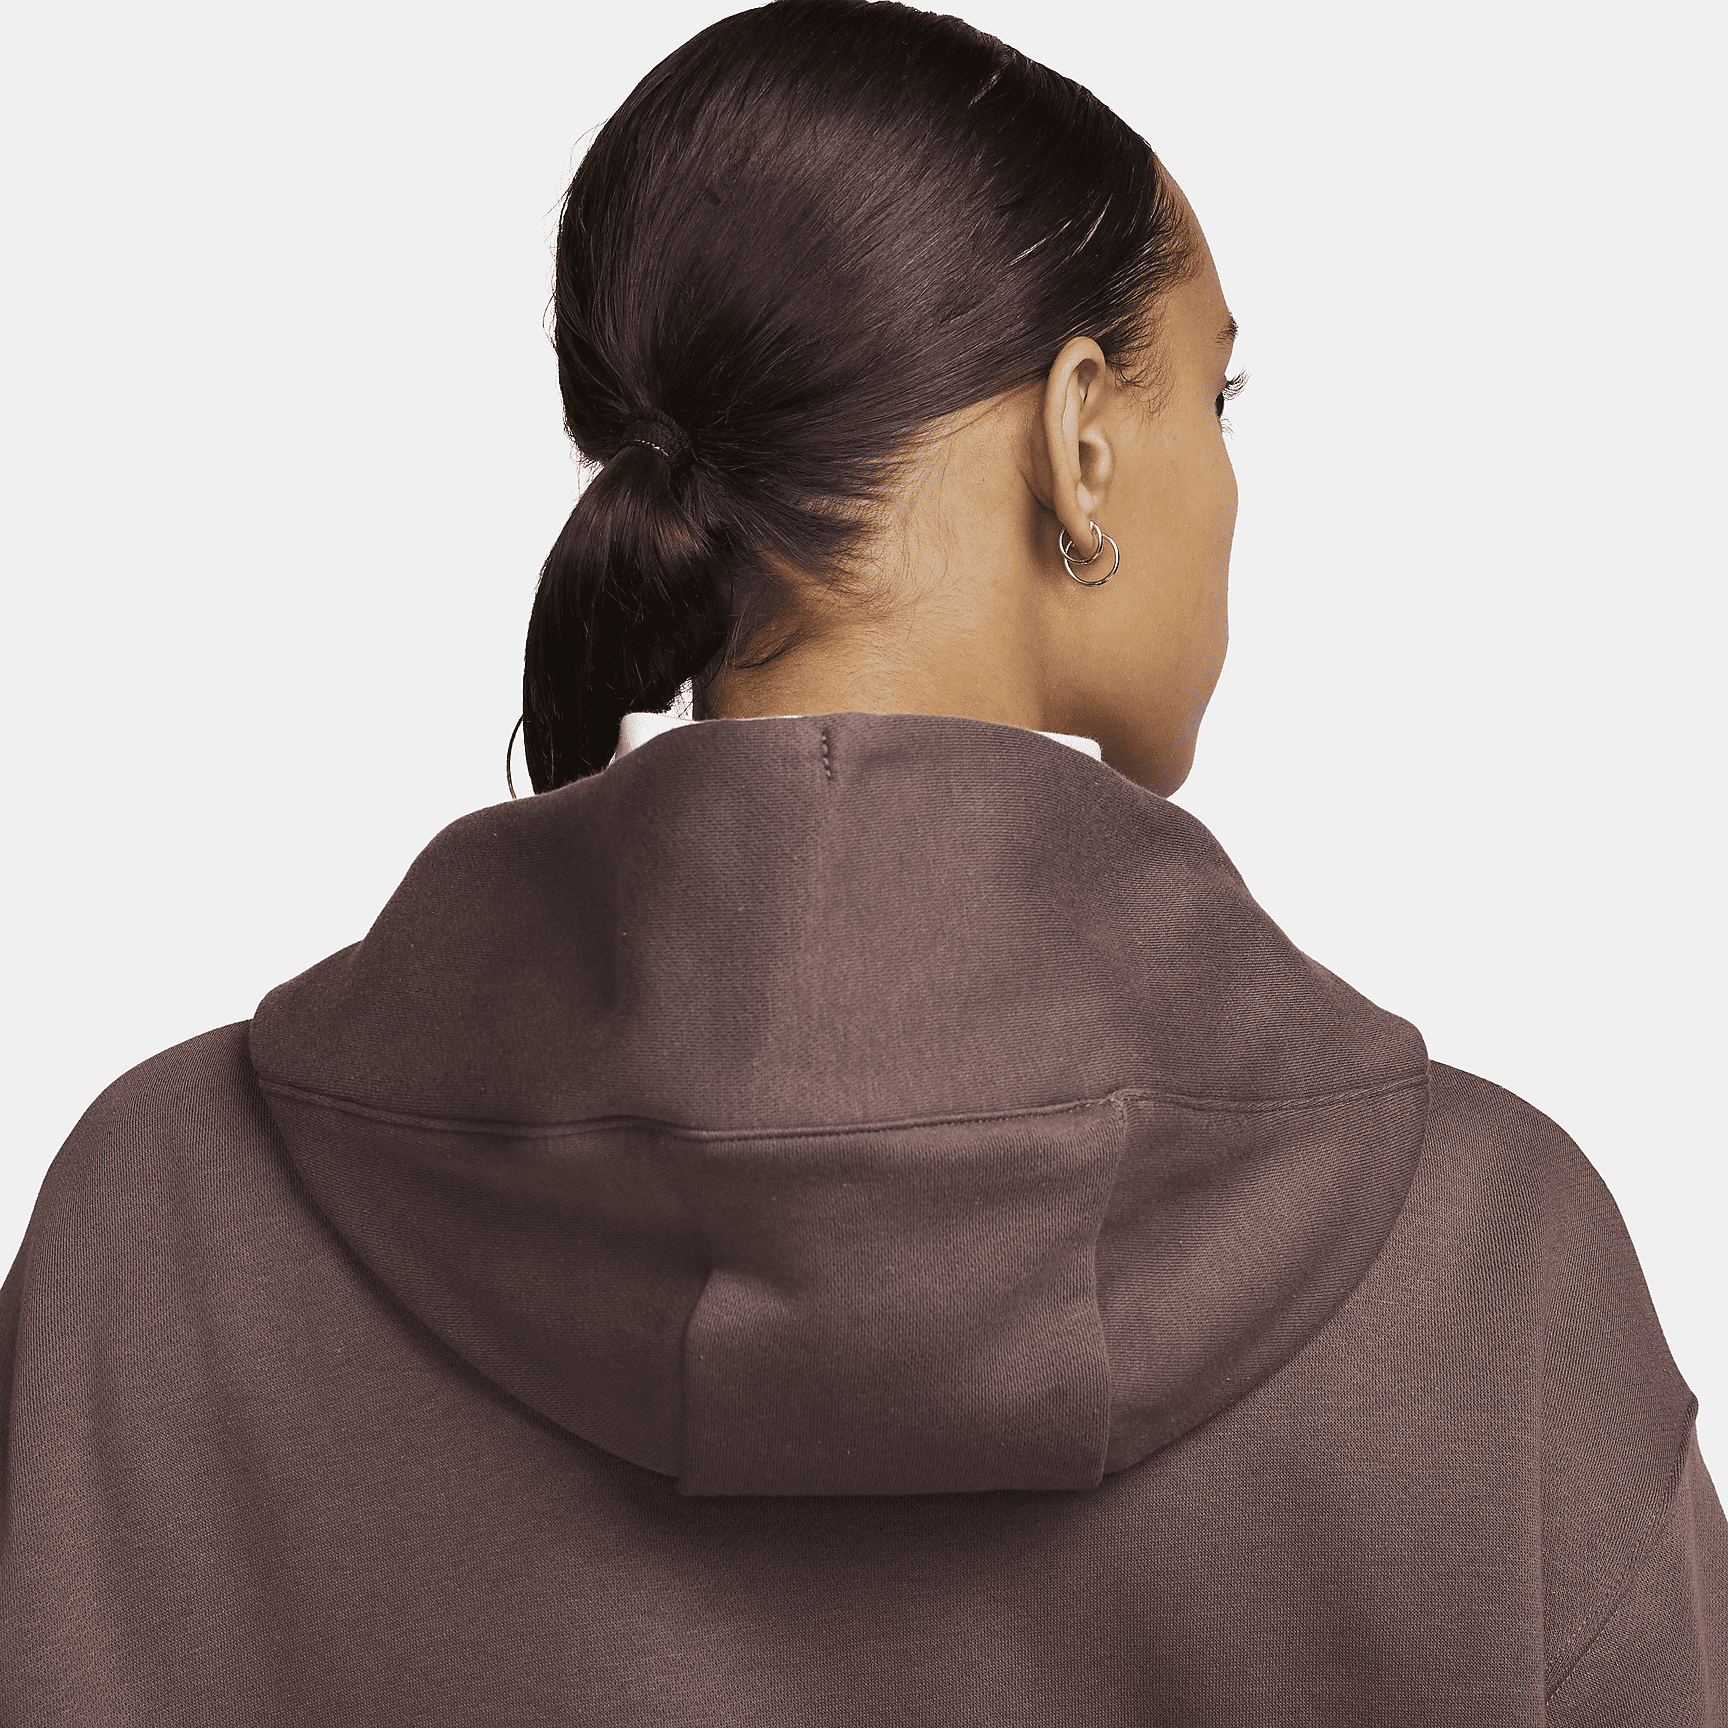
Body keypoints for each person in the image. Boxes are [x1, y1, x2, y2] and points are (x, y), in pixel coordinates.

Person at [3, 0, 1722, 1720]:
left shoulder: (154, 1241)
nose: (1228, 476)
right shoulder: (1488, 1277)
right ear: (1082, 440)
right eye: (1218, 393)